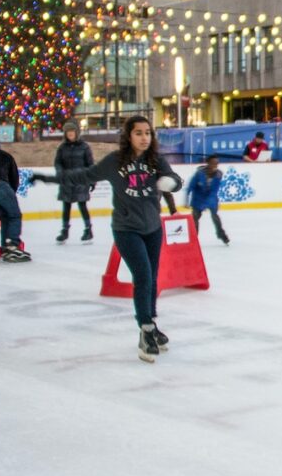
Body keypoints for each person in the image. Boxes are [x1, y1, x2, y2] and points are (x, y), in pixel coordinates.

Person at [34, 116, 185, 363]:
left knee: (152, 278)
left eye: (148, 133)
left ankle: (150, 323)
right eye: (138, 133)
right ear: (128, 136)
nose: (144, 138)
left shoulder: (156, 160)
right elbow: (83, 175)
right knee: (143, 276)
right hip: (127, 230)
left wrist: (172, 183)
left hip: (153, 229)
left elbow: (175, 179)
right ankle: (146, 330)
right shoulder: (114, 161)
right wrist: (49, 178)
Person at [54, 121, 94, 243]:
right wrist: (60, 172)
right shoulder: (62, 148)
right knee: (66, 206)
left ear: (76, 133)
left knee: (82, 205)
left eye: (72, 131)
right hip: (67, 181)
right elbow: (58, 162)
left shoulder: (84, 147)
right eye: (68, 132)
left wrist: (92, 180)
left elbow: (90, 164)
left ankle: (88, 230)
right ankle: (65, 230)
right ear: (65, 134)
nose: (70, 134)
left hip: (81, 180)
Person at [185, 155, 229, 245]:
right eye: (213, 163)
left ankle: (221, 234)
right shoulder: (199, 174)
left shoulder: (218, 175)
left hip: (211, 199)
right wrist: (186, 201)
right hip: (198, 199)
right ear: (208, 163)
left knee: (215, 216)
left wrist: (207, 203)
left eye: (217, 163)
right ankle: (194, 238)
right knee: (195, 218)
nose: (215, 165)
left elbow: (214, 191)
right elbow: (190, 187)